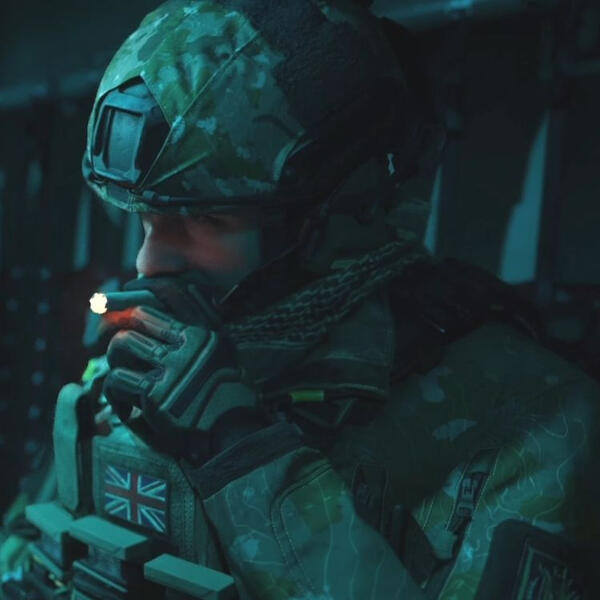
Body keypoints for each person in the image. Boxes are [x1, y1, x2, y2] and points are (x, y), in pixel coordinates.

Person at [4, 1, 600, 599]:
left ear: (333, 219)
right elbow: (30, 543)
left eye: (206, 219)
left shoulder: (539, 421)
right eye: (147, 219)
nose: (148, 263)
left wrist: (243, 455)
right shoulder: (157, 357)